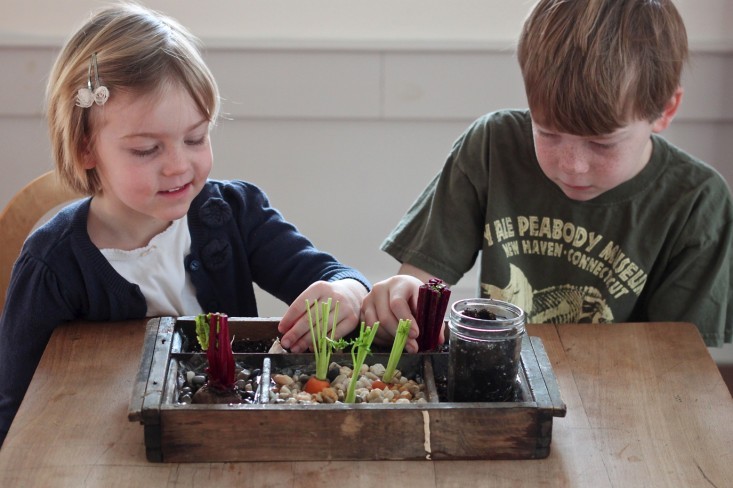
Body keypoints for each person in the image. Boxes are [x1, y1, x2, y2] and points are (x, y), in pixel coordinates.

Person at [0, 3, 369, 446]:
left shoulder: (235, 212)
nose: (178, 167)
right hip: (107, 454)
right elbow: (14, 409)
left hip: (235, 442)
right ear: (85, 149)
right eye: (146, 150)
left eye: (195, 138)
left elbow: (336, 277)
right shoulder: (53, 265)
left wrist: (348, 293)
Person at [362, 0, 733, 353]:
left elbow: (679, 361)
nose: (571, 164)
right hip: (505, 384)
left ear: (665, 110)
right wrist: (405, 294)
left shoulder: (698, 203)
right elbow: (423, 278)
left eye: (601, 144)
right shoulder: (493, 145)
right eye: (548, 133)